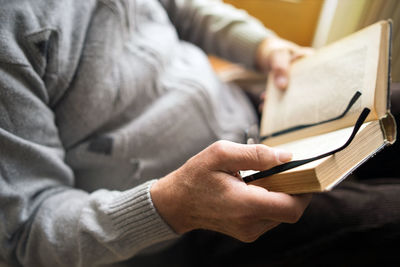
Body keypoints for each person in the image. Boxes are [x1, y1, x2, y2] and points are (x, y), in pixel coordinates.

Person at [0, 0, 313, 266]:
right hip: (184, 237)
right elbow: (23, 233)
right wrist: (173, 207)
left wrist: (263, 47)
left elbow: (181, 7)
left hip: (260, 120)